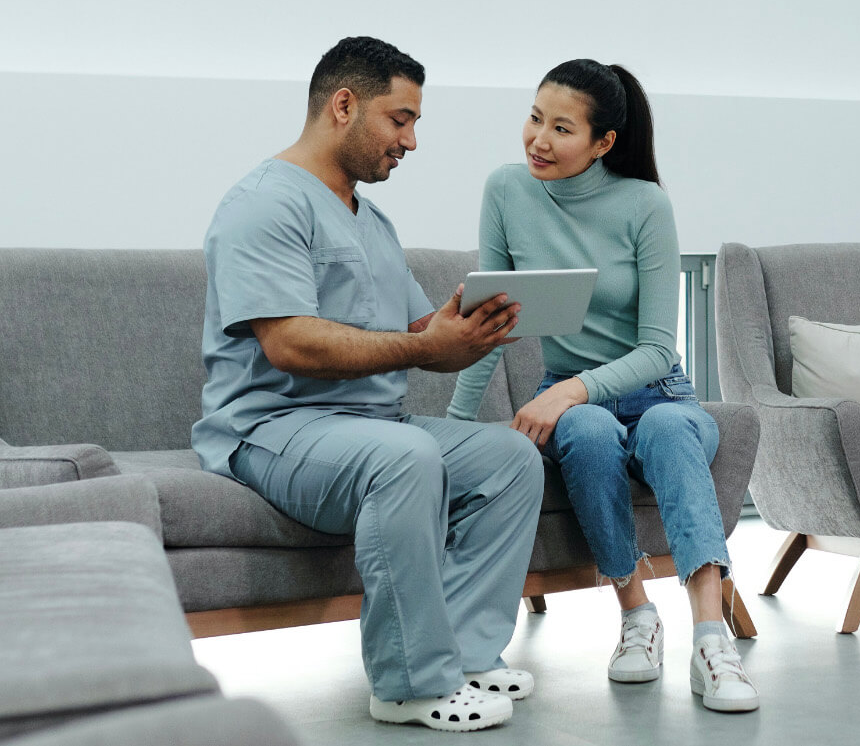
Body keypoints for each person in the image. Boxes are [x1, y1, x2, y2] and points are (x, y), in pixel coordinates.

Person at [192, 36, 544, 733]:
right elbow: (289, 342)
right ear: (344, 105)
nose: (410, 140)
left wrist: (464, 333)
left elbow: (419, 339)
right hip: (271, 430)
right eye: (400, 118)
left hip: (369, 427)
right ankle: (409, 684)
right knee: (402, 458)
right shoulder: (264, 204)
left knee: (510, 458)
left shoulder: (370, 219)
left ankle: (469, 653)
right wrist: (424, 341)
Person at [447, 59, 759, 713]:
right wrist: (453, 425)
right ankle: (636, 616)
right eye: (535, 117)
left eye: (561, 128)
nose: (537, 138)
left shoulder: (645, 205)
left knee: (669, 429)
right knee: (585, 432)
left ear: (603, 142)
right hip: (574, 399)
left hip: (659, 394)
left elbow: (656, 348)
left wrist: (566, 391)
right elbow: (489, 322)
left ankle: (711, 638)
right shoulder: (507, 191)